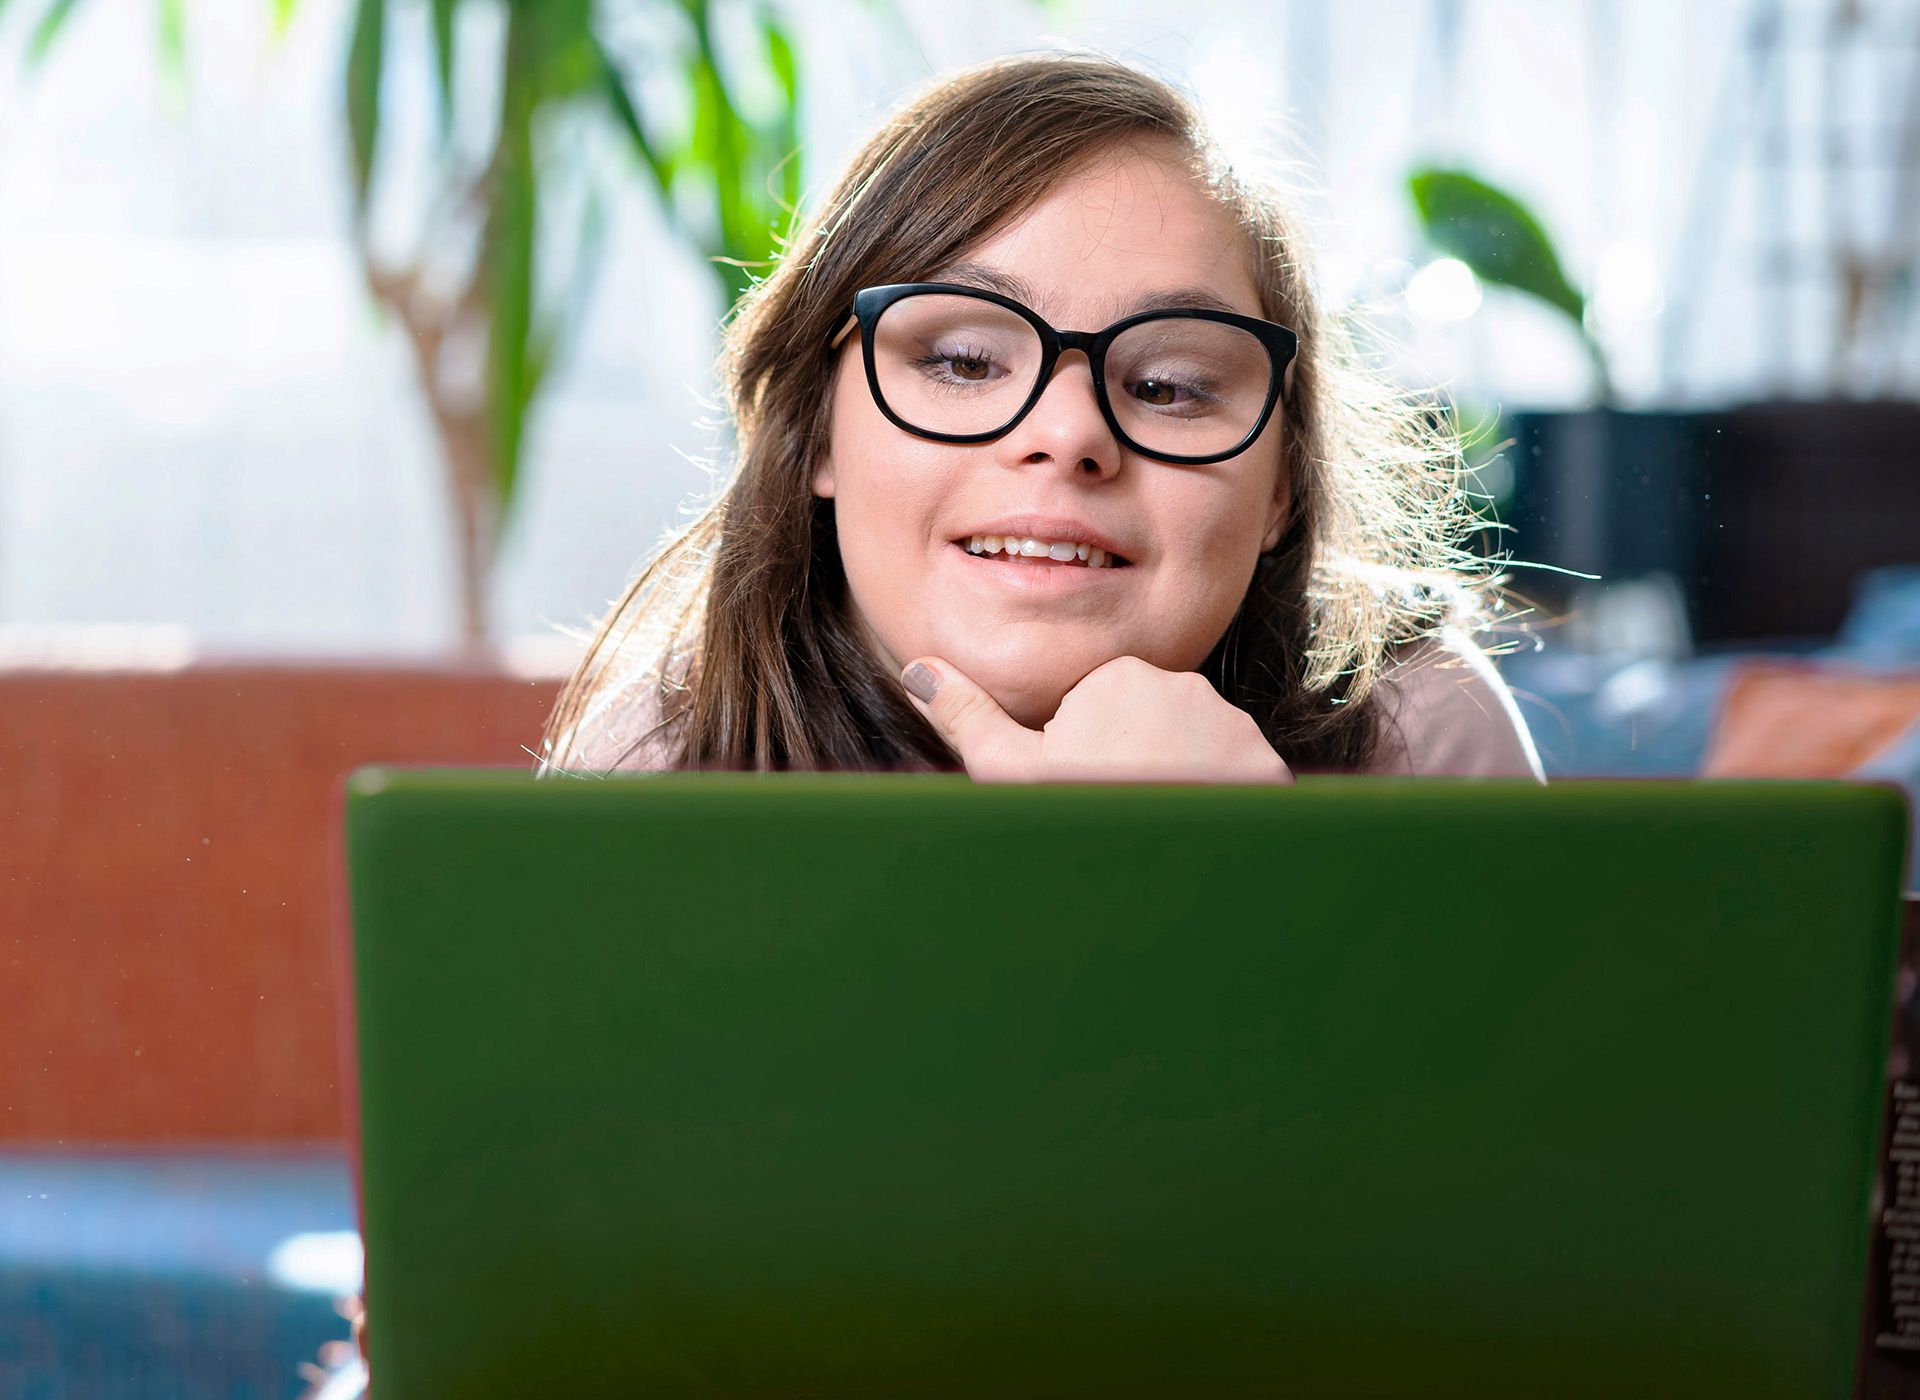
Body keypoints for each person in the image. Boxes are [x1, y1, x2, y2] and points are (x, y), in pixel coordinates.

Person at [538, 52, 1542, 785]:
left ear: (1284, 483)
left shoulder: (1421, 738)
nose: (1068, 436)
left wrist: (1241, 873)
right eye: (966, 362)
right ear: (819, 433)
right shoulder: (662, 765)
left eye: (1170, 386)